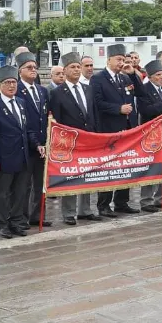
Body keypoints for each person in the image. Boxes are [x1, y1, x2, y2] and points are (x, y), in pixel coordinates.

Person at [48, 52, 101, 224]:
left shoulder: (88, 89)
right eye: (73, 67)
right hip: (69, 141)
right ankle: (69, 212)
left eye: (78, 67)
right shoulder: (57, 93)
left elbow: (93, 114)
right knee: (70, 175)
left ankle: (85, 209)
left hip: (88, 139)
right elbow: (57, 119)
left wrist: (96, 135)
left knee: (87, 173)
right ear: (64, 70)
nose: (77, 70)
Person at [0, 66, 31, 238]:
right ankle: (2, 224)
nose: (11, 86)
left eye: (14, 82)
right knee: (2, 194)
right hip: (4, 159)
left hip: (22, 156)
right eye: (7, 83)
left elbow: (24, 129)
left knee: (20, 192)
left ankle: (16, 222)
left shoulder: (21, 103)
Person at [90, 44, 135, 216]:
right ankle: (103, 204)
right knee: (108, 168)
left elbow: (137, 92)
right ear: (108, 59)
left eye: (123, 59)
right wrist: (118, 109)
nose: (121, 63)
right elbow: (97, 103)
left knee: (125, 166)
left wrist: (132, 73)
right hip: (108, 129)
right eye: (118, 59)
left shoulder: (124, 78)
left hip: (126, 130)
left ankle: (121, 201)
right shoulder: (98, 79)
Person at [14, 52, 50, 227]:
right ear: (20, 71)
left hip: (43, 144)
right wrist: (34, 142)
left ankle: (37, 215)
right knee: (24, 184)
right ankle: (22, 217)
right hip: (26, 145)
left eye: (35, 67)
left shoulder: (42, 90)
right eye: (29, 67)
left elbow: (46, 116)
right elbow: (23, 121)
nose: (33, 70)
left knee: (40, 183)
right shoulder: (17, 90)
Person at [137, 60, 162, 212]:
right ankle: (146, 201)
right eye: (158, 75)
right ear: (150, 76)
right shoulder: (144, 90)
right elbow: (145, 110)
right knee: (150, 169)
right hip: (151, 137)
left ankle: (161, 198)